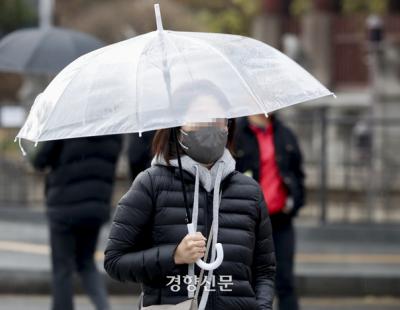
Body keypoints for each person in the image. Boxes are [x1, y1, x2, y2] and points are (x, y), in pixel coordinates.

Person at [104, 80, 276, 310]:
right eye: (199, 117)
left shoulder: (249, 191)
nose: (209, 125)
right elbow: (115, 261)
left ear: (229, 125)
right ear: (177, 126)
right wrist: (173, 255)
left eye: (217, 117)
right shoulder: (151, 184)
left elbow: (264, 270)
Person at [31, 135, 122, 310]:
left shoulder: (67, 127)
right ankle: (104, 307)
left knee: (62, 269)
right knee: (86, 263)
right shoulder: (113, 131)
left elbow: (40, 160)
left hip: (64, 205)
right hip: (96, 206)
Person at [235, 114, 305, 310]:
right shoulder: (236, 134)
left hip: (280, 220)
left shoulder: (285, 134)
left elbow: (297, 173)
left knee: (285, 281)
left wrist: (295, 202)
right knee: (248, 281)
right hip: (248, 222)